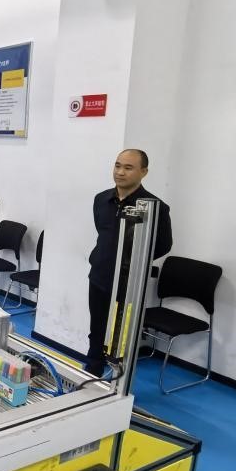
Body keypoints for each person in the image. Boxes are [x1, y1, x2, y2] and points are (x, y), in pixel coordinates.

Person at [85, 149, 173, 376]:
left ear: (144, 172)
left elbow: (163, 245)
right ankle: (91, 375)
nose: (120, 172)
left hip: (128, 285)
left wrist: (132, 261)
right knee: (96, 330)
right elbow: (103, 233)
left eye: (128, 168)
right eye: (117, 166)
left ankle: (117, 381)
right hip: (100, 277)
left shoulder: (155, 207)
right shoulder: (101, 200)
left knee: (120, 339)